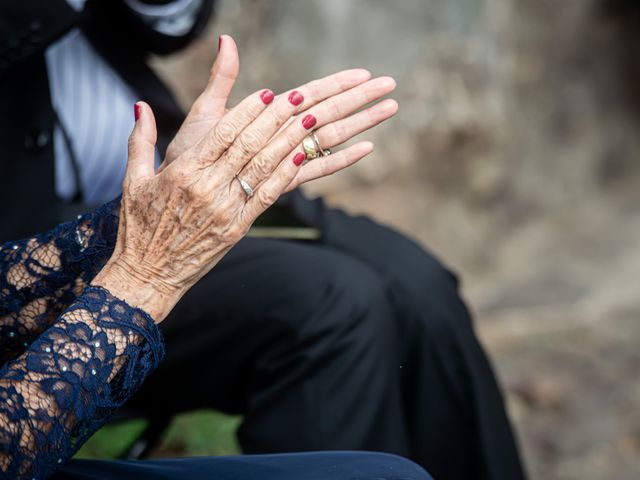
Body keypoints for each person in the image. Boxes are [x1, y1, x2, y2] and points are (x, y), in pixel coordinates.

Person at [0, 1, 526, 478]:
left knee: (419, 283)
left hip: (152, 182)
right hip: (34, 224)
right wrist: (146, 265)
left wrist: (168, 201)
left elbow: (168, 28)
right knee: (335, 301)